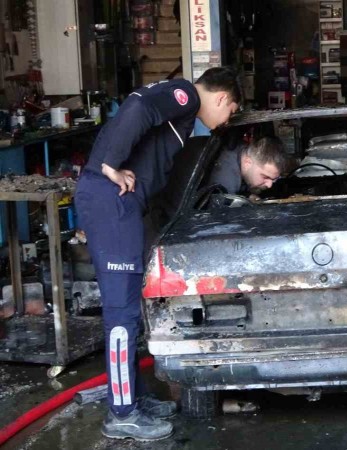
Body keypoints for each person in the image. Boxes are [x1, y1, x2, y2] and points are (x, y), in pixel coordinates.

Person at [74, 67, 241, 440]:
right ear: (221, 98)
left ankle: (133, 397)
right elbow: (136, 108)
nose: (224, 121)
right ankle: (121, 414)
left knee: (131, 310)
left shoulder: (182, 107)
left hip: (121, 204)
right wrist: (111, 165)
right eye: (230, 112)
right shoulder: (185, 95)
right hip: (112, 200)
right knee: (121, 314)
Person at [208, 136, 288, 195]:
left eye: (274, 179)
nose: (269, 185)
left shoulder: (245, 152)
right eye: (265, 177)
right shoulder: (226, 183)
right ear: (247, 163)